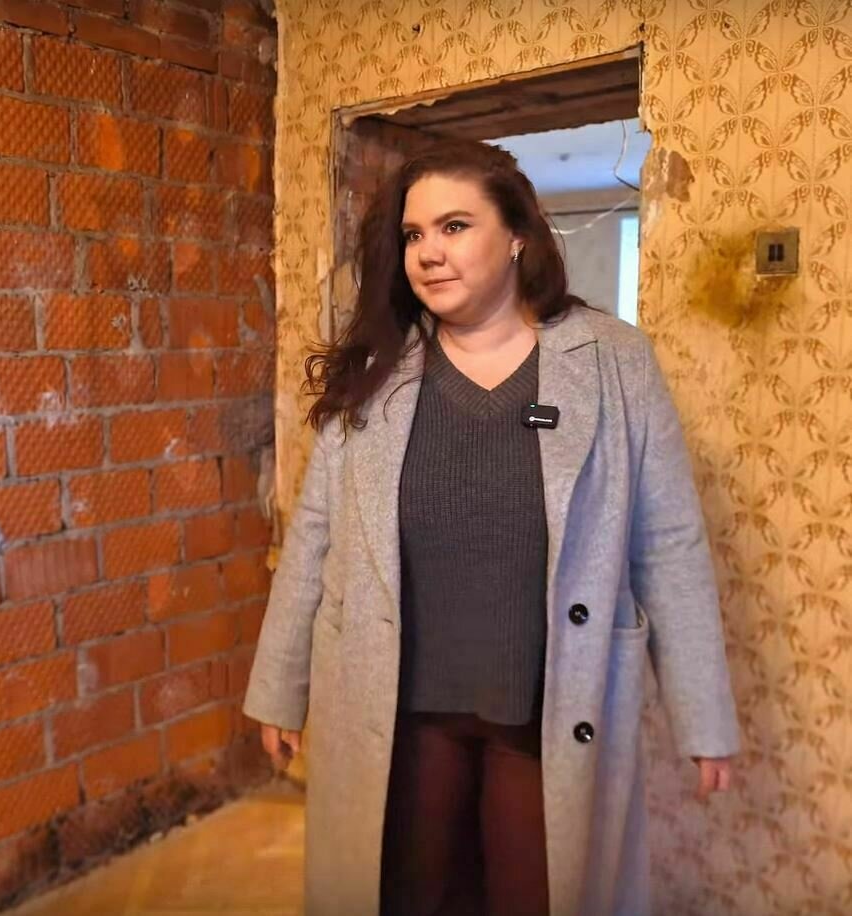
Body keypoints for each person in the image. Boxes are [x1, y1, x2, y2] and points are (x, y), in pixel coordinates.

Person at [242, 139, 740, 916]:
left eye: (454, 226)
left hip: (544, 707)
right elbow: (314, 535)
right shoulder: (377, 368)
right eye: (414, 234)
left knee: (536, 893)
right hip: (400, 706)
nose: (428, 252)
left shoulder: (613, 361)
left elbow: (668, 542)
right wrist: (279, 688)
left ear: (516, 237)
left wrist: (703, 714)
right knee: (408, 893)